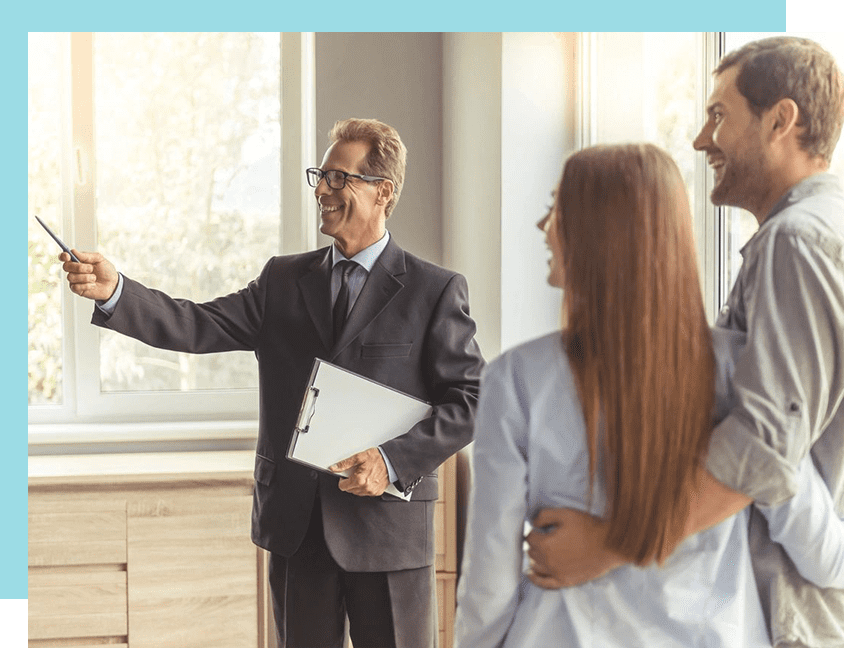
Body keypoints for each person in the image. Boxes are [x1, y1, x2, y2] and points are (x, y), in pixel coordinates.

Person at [60, 117, 485, 648]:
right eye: (320, 176)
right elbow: (198, 323)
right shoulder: (284, 280)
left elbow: (470, 399)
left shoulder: (434, 290)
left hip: (388, 531)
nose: (323, 191)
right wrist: (116, 291)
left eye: (339, 178)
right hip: (297, 526)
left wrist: (392, 460)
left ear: (383, 192)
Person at [453, 143, 844, 648]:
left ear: (598, 234)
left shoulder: (515, 379)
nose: (543, 226)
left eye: (558, 208)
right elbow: (826, 558)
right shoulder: (738, 374)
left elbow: (489, 581)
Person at [525, 36, 844, 647]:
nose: (701, 140)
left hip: (787, 613)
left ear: (782, 120)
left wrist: (610, 544)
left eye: (718, 115)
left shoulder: (796, 242)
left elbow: (763, 445)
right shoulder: (811, 234)